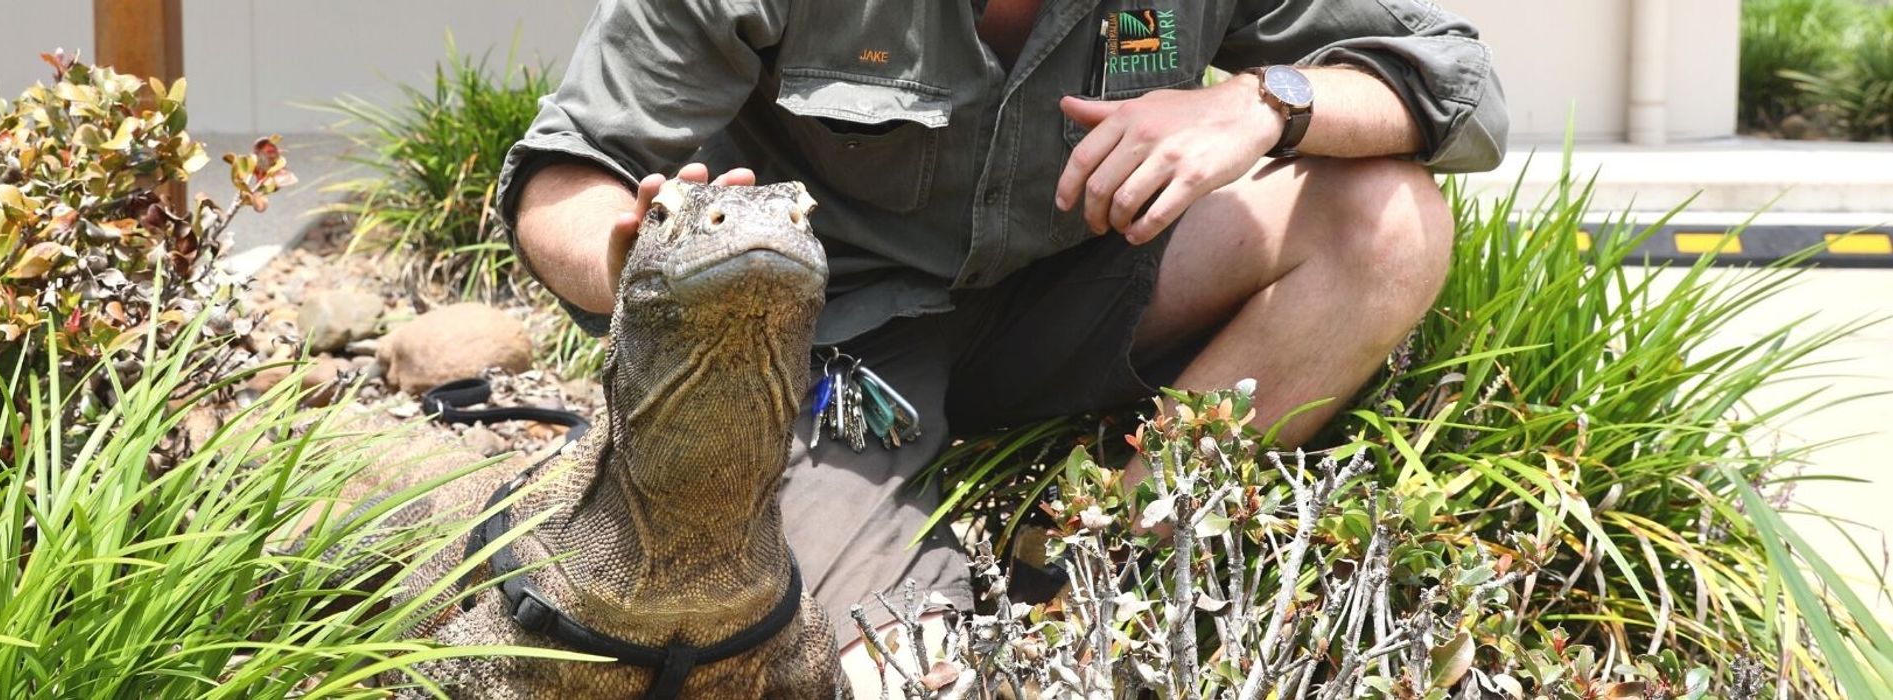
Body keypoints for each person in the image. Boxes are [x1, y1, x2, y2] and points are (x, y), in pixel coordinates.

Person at [495, 0, 1508, 646]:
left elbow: (1459, 85)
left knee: (1386, 219)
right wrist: (638, 255)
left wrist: (1262, 101)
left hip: (1085, 283)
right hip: (831, 348)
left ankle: (1089, 546)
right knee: (905, 665)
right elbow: (562, 171)